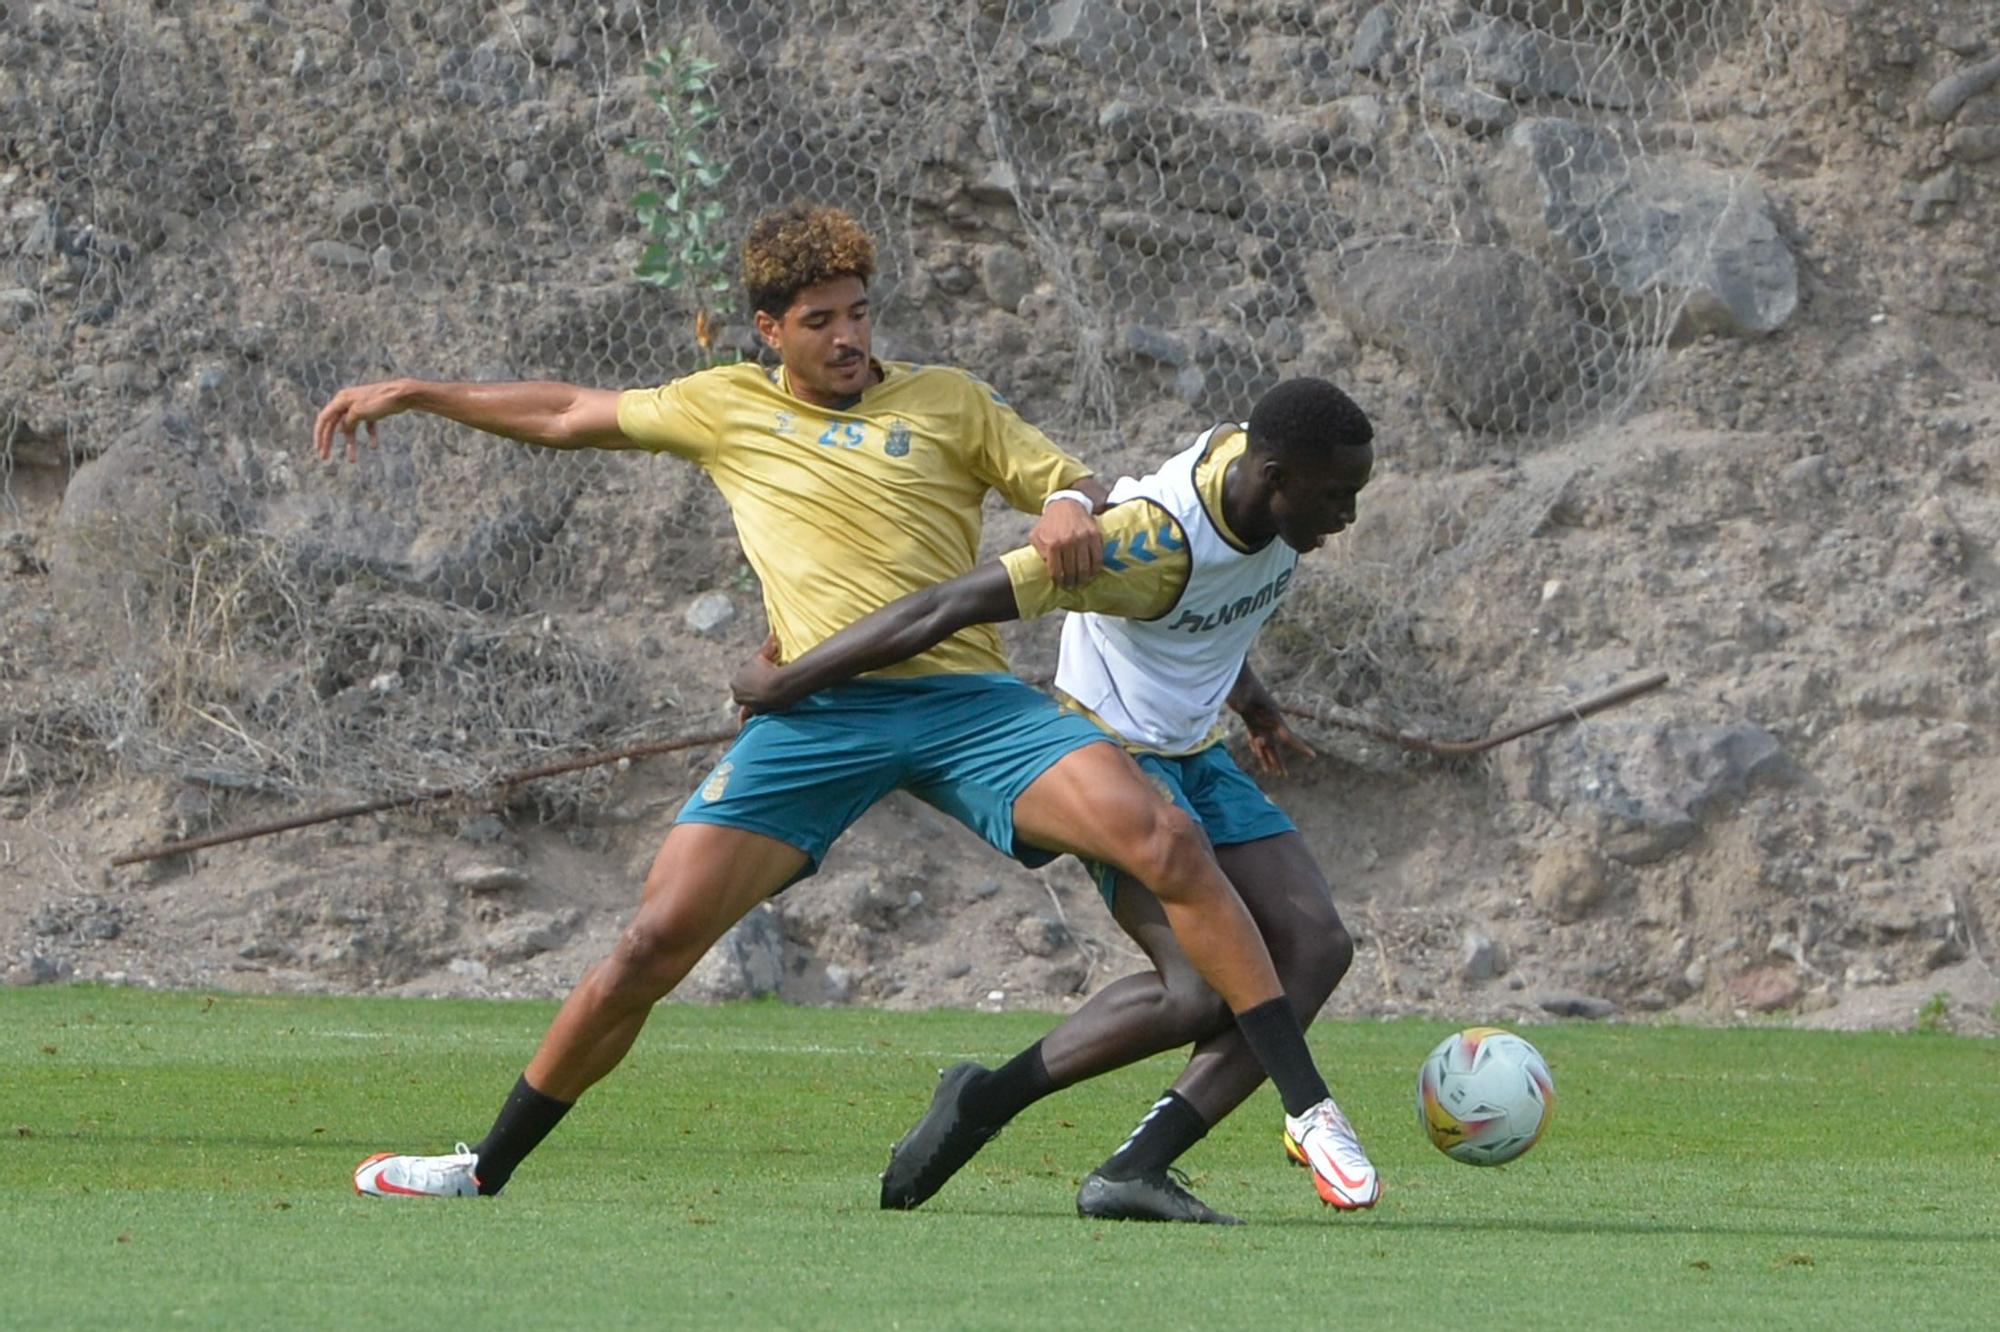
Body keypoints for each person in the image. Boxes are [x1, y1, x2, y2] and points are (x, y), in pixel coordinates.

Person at [315, 203, 1368, 1210]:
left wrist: (1059, 504)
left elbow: (1074, 484)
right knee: (650, 945)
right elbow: (564, 413)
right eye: (819, 320)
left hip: (968, 706)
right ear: (769, 330)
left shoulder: (947, 400)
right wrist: (421, 392)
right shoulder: (724, 405)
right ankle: (482, 1167)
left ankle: (1306, 1107)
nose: (848, 337)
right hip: (817, 719)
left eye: (858, 312)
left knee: (1164, 834)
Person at [730, 376, 1380, 1221]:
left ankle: (1127, 1165)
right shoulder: (1144, 544)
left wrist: (1250, 698)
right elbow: (948, 604)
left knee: (1319, 945)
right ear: (1274, 475)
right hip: (1115, 761)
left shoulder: (1273, 496)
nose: (1348, 517)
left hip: (1194, 750)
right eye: (1336, 497)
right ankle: (1282, 1110)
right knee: (1196, 991)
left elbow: (1213, 602)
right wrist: (787, 684)